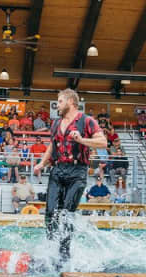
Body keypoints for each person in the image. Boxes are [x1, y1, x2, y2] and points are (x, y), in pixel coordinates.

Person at [34, 88, 106, 265]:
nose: (57, 105)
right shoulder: (56, 123)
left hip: (77, 172)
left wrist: (82, 140)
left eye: (59, 101)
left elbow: (103, 142)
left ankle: (64, 253)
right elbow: (53, 146)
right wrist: (42, 163)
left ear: (71, 102)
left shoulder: (87, 121)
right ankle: (50, 248)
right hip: (57, 170)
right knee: (50, 212)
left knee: (66, 214)